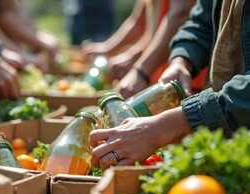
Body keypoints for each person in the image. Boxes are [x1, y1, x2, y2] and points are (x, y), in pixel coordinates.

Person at [89, 0, 250, 169]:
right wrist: (181, 60)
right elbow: (201, 22)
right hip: (213, 122)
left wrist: (168, 125)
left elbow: (180, 13)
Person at [82, 0, 203, 98]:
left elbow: (181, 14)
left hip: (187, 79)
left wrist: (140, 71)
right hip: (160, 78)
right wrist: (132, 55)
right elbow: (140, 23)